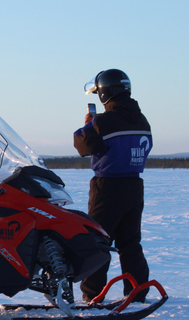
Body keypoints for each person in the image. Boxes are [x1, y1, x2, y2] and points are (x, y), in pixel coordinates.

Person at [73, 69, 153, 303]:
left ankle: (93, 294)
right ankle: (137, 291)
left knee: (97, 241)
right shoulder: (142, 119)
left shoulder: (104, 122)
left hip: (107, 187)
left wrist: (89, 124)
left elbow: (82, 146)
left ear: (105, 93)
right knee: (130, 242)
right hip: (134, 185)